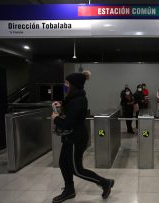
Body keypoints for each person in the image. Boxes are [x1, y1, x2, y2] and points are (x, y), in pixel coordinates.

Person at [51, 71, 114, 203]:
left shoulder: (78, 100)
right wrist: (61, 107)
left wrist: (55, 118)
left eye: (67, 83)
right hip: (70, 138)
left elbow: (68, 123)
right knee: (63, 163)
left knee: (77, 169)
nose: (65, 86)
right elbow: (70, 114)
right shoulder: (73, 98)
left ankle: (104, 183)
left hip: (75, 139)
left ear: (73, 85)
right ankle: (69, 190)